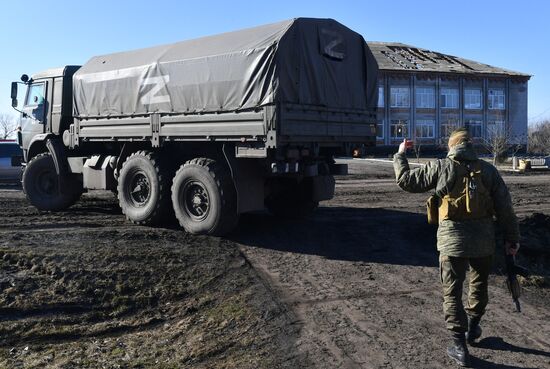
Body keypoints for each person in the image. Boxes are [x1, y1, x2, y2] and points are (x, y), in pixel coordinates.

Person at [393, 128, 520, 367]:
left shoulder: (441, 167)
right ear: (471, 146)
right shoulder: (489, 171)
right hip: (483, 241)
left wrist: (400, 155)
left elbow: (406, 181)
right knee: (479, 285)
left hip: (452, 242)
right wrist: (512, 239)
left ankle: (459, 345)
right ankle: (473, 328)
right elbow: (505, 208)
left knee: (452, 292)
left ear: (452, 146)